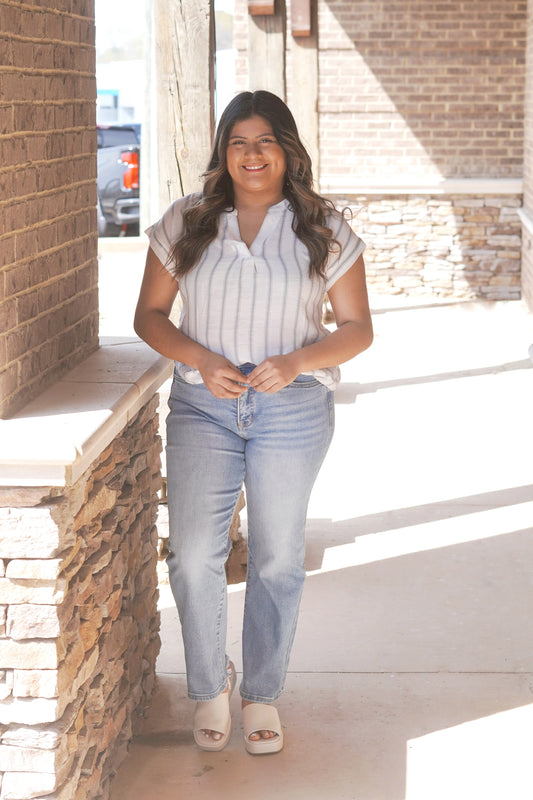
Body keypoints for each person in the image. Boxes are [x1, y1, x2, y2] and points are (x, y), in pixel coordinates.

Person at [134, 90, 373, 755]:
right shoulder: (186, 221)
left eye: (264, 140)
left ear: (286, 149)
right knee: (191, 557)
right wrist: (201, 359)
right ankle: (210, 685)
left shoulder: (320, 227)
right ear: (223, 151)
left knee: (274, 558)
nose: (251, 154)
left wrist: (296, 361)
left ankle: (261, 692)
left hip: (291, 411)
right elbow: (149, 317)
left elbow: (356, 331)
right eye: (237, 142)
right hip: (202, 406)